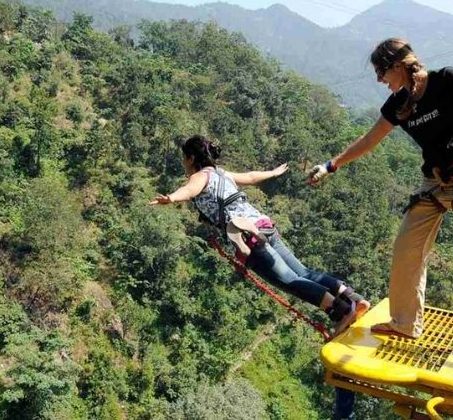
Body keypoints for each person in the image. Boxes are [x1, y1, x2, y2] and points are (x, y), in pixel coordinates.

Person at [307, 38, 453, 366]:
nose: (379, 80)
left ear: (398, 66)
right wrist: (331, 165)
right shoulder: (398, 105)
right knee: (406, 249)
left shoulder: (447, 79)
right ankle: (405, 323)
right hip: (434, 181)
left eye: (381, 72)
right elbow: (369, 140)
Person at [150, 135, 370, 335]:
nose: (183, 163)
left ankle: (340, 311)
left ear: (190, 158)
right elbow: (251, 177)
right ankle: (353, 298)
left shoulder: (199, 177)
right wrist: (272, 173)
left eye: (184, 158)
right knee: (303, 271)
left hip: (247, 235)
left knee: (290, 280)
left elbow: (188, 191)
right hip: (263, 225)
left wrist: (171, 198)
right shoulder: (221, 173)